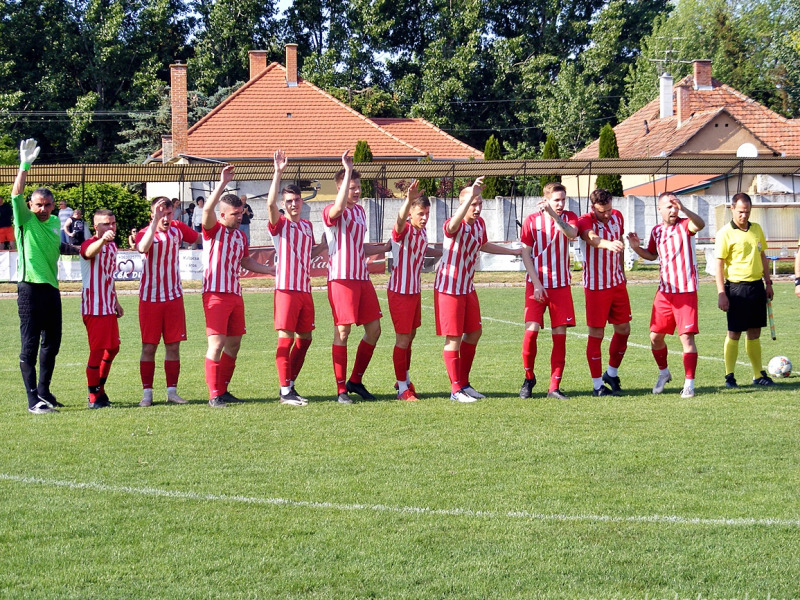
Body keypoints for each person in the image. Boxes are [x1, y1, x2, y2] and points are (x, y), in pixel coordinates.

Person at [434, 177, 522, 403]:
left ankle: (464, 383)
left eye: (479, 203)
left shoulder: (479, 224)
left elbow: (483, 245)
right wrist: (469, 196)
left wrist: (512, 252)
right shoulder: (453, 223)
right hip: (449, 287)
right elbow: (452, 227)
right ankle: (455, 390)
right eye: (473, 203)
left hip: (466, 286)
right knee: (453, 337)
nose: (477, 207)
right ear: (462, 205)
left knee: (474, 332)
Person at [11, 138, 73, 413]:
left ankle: (44, 391)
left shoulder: (54, 222)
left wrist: (83, 247)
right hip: (29, 289)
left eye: (48, 204)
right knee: (30, 345)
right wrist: (24, 166)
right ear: (30, 205)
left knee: (52, 344)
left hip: (51, 289)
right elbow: (15, 194)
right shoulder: (24, 219)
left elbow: (56, 245)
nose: (44, 209)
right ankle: (31, 399)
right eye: (38, 204)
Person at [202, 164, 271, 407]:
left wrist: (271, 270)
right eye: (235, 214)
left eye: (241, 213)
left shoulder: (240, 236)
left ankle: (223, 389)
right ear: (222, 215)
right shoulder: (213, 230)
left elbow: (246, 261)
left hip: (235, 294)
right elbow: (207, 209)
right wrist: (221, 184)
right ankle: (213, 395)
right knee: (217, 343)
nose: (240, 217)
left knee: (234, 344)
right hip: (215, 295)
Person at [323, 151, 387, 404]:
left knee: (374, 329)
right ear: (340, 188)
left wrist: (385, 247)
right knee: (343, 330)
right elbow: (337, 209)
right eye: (351, 187)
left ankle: (355, 380)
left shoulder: (360, 212)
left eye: (359, 187)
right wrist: (347, 169)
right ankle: (340, 389)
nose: (357, 191)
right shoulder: (331, 208)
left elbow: (359, 246)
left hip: (362, 277)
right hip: (341, 278)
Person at [627, 192, 705, 398]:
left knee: (686, 338)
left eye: (675, 206)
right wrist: (636, 248)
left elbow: (701, 224)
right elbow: (652, 255)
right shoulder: (657, 231)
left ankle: (689, 383)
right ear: (659, 209)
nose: (673, 210)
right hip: (664, 292)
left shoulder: (686, 225)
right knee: (655, 337)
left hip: (685, 291)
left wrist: (685, 208)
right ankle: (664, 373)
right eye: (668, 207)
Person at [266, 150, 325, 406]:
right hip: (286, 290)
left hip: (305, 289)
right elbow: (269, 205)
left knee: (306, 339)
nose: (293, 204)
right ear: (284, 203)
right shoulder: (280, 224)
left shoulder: (307, 226)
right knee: (285, 338)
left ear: (302, 202)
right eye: (288, 200)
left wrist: (322, 246)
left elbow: (308, 253)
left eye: (296, 200)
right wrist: (278, 172)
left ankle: (289, 385)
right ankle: (284, 390)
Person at [134, 196, 200, 407]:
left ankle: (172, 391)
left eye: (169, 213)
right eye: (160, 213)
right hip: (150, 299)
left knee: (173, 346)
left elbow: (199, 237)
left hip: (173, 298)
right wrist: (154, 224)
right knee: (149, 347)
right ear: (152, 214)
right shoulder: (146, 233)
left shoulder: (178, 228)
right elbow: (143, 248)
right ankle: (147, 393)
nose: (165, 217)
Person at [519, 182, 578, 400]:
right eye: (556, 200)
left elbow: (572, 233)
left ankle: (554, 386)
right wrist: (536, 283)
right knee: (531, 332)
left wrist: (554, 214)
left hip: (561, 286)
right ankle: (529, 377)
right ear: (545, 199)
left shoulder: (569, 217)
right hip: (536, 284)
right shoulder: (531, 221)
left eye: (563, 199)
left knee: (559, 337)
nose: (561, 203)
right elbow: (525, 253)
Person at [715, 192, 775, 388]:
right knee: (734, 333)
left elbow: (763, 256)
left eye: (747, 212)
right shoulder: (725, 233)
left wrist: (768, 282)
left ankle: (758, 375)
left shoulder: (756, 229)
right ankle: (729, 376)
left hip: (756, 287)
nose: (744, 216)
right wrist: (721, 293)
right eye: (741, 212)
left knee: (755, 332)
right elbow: (719, 266)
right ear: (732, 209)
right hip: (736, 289)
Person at [577, 188, 631, 396]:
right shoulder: (585, 220)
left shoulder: (617, 216)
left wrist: (623, 272)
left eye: (609, 209)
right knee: (597, 334)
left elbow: (621, 246)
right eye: (602, 211)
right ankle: (597, 385)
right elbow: (591, 238)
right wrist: (609, 244)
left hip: (617, 283)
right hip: (596, 287)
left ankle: (611, 373)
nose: (607, 214)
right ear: (593, 208)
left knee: (624, 329)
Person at [388, 180, 430, 402]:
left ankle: (402, 379)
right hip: (400, 292)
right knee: (402, 339)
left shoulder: (422, 233)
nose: (424, 218)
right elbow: (398, 221)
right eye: (420, 214)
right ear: (411, 214)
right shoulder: (403, 230)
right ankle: (402, 389)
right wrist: (407, 200)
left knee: (411, 337)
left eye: (427, 214)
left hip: (414, 292)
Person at [80, 209, 122, 409]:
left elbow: (109, 277)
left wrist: (116, 302)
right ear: (96, 226)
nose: (111, 227)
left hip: (107, 306)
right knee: (96, 351)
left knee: (113, 348)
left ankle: (101, 389)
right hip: (93, 307)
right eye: (106, 223)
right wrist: (103, 240)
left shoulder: (112, 247)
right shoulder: (90, 243)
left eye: (113, 223)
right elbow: (89, 253)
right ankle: (93, 396)